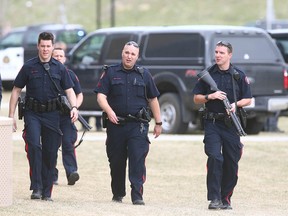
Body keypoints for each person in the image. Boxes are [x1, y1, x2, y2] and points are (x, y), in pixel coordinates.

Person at [8, 32, 78, 201]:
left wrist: (74, 107)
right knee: (33, 146)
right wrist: (11, 116)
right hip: (32, 113)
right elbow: (16, 90)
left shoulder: (60, 68)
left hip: (52, 114)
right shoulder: (29, 66)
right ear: (38, 46)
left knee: (50, 152)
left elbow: (69, 90)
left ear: (52, 47)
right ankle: (36, 188)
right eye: (43, 46)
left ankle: (47, 192)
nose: (45, 49)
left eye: (48, 46)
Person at [95, 41, 162, 205]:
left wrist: (158, 122)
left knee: (137, 159)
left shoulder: (144, 74)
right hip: (116, 124)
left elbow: (153, 98)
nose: (129, 56)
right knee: (116, 160)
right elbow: (100, 96)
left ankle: (137, 195)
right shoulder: (110, 72)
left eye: (133, 54)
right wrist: (109, 111)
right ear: (122, 53)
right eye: (127, 52)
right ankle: (118, 193)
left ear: (137, 56)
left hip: (137, 125)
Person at [192, 41, 252, 210]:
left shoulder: (238, 75)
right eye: (216, 52)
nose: (218, 55)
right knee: (215, 157)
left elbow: (248, 98)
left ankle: (226, 198)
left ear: (230, 55)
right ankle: (214, 198)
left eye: (222, 53)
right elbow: (196, 98)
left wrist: (236, 105)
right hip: (212, 123)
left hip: (231, 124)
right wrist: (210, 96)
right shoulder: (208, 74)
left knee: (231, 162)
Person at [52, 47, 83, 186]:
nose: (58, 58)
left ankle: (71, 173)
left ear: (64, 59)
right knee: (51, 146)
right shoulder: (48, 74)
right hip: (51, 115)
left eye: (61, 56)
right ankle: (51, 176)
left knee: (68, 144)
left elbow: (79, 94)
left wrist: (74, 108)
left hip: (66, 116)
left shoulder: (70, 74)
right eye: (56, 56)